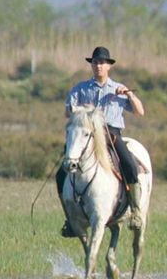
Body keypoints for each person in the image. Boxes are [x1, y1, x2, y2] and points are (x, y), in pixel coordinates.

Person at [57, 46, 146, 236]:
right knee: (61, 172)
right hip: (86, 135)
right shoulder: (80, 89)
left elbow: (140, 112)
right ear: (92, 65)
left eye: (102, 63)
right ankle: (70, 218)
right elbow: (68, 112)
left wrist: (130, 95)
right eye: (95, 62)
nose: (98, 66)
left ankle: (136, 211)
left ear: (109, 66)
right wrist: (79, 110)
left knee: (129, 163)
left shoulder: (118, 88)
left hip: (111, 134)